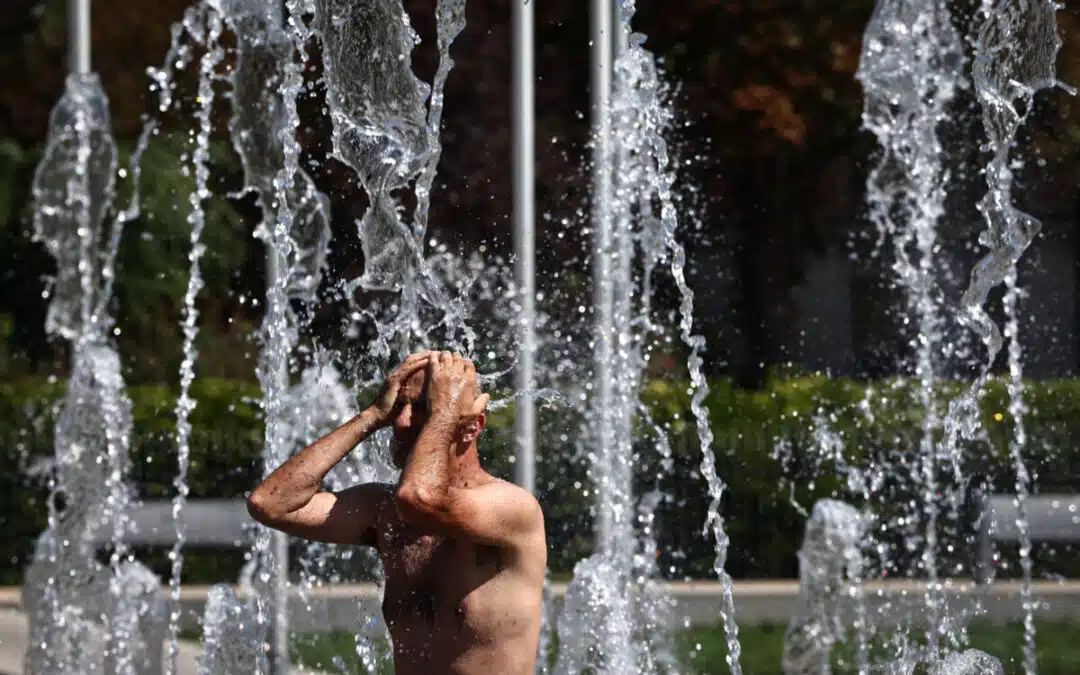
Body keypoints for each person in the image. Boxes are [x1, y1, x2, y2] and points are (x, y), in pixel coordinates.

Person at [247, 351, 547, 674]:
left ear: (471, 427)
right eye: (398, 407)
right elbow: (270, 503)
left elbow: (419, 499)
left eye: (422, 407)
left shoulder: (512, 510)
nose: (400, 422)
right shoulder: (385, 510)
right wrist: (372, 415)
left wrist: (444, 412)